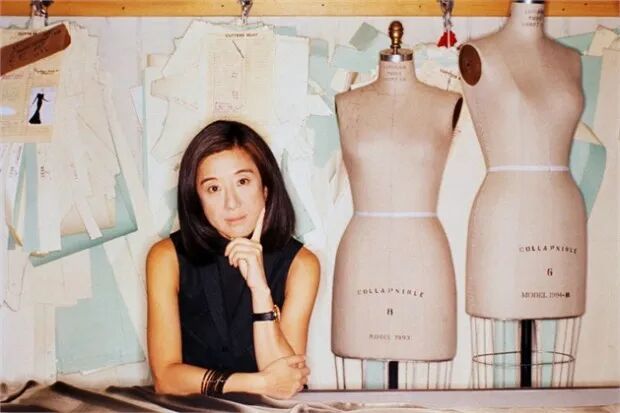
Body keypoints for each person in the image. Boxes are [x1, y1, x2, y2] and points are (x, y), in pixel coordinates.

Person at [146, 120, 320, 399]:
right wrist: (257, 383)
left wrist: (260, 291)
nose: (232, 203)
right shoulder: (165, 258)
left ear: (266, 187)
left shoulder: (302, 264)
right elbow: (166, 379)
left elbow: (285, 385)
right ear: (196, 199)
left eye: (243, 182)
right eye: (214, 188)